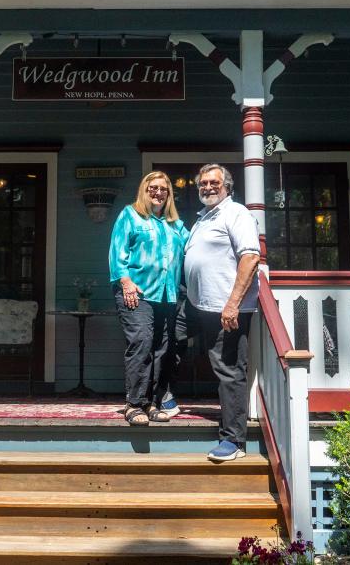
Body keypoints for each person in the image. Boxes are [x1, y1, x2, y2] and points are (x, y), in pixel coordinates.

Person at [183, 163, 260, 461]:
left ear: (227, 185)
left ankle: (234, 441)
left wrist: (233, 304)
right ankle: (165, 399)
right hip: (197, 305)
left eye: (214, 183)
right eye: (203, 183)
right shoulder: (203, 218)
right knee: (164, 334)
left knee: (229, 371)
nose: (208, 187)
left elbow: (251, 256)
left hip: (226, 308)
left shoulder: (236, 213)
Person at [109, 171, 189, 426]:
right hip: (137, 292)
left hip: (167, 295)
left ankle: (151, 403)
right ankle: (134, 404)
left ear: (169, 194)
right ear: (144, 190)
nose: (158, 192)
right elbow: (117, 251)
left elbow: (195, 247)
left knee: (162, 348)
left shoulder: (175, 224)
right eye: (152, 188)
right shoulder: (130, 215)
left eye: (163, 189)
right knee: (142, 342)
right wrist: (125, 281)